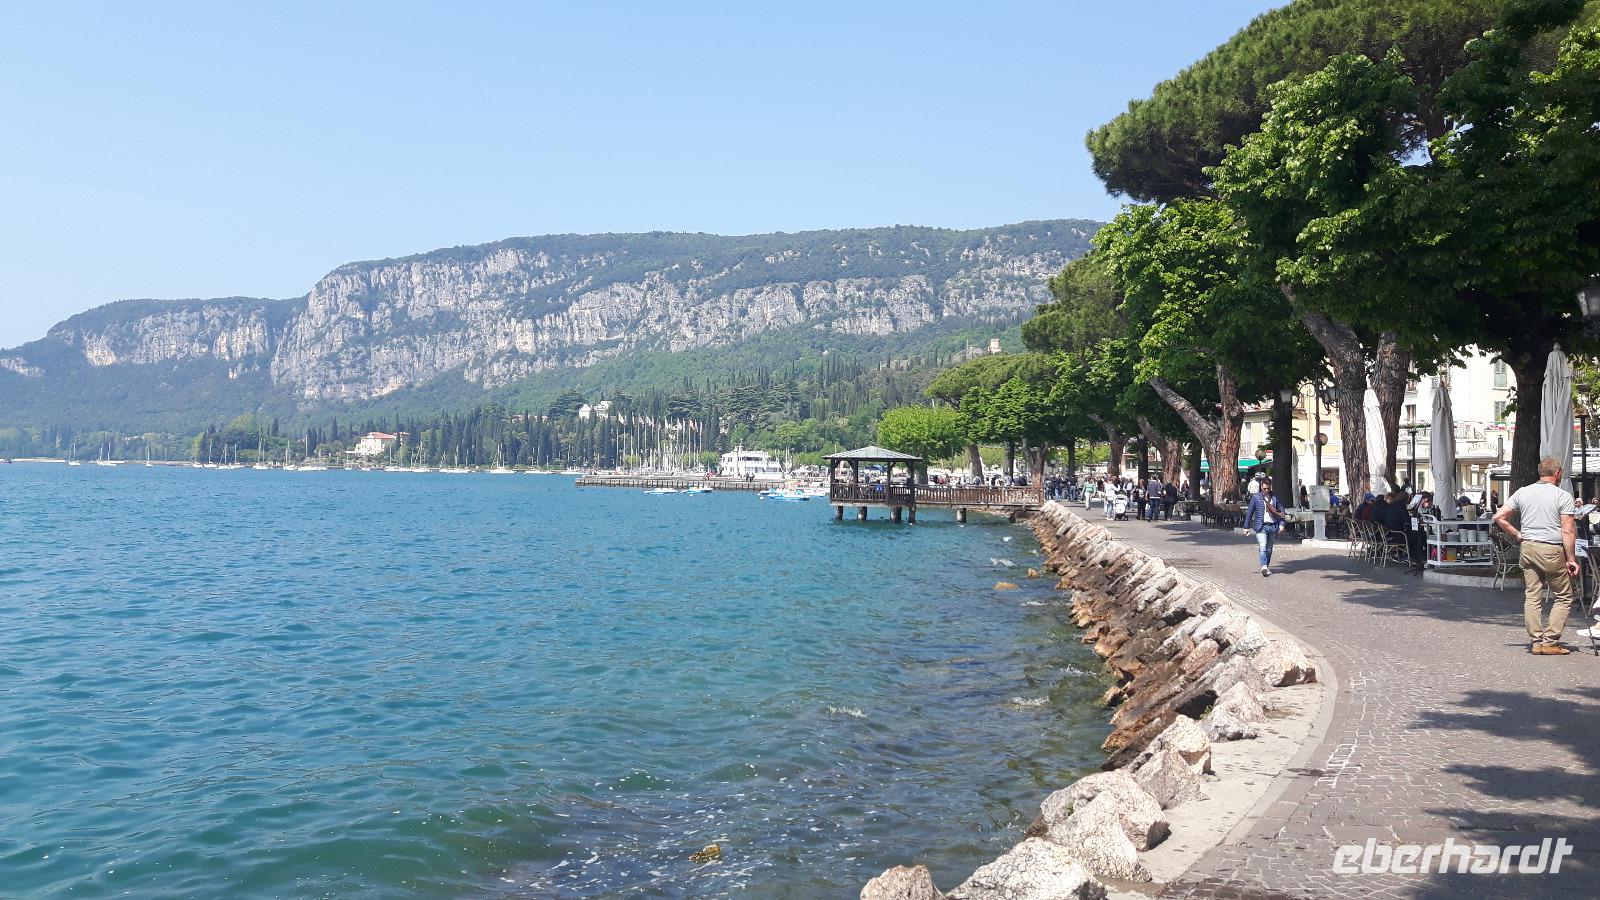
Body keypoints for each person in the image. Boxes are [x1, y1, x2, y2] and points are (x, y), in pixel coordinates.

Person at [1492, 457, 1579, 655]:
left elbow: (1498, 517)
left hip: (1528, 547)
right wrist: (1571, 558)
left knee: (1532, 596)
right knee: (1564, 596)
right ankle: (1550, 641)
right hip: (1551, 549)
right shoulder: (1562, 496)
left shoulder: (1523, 492)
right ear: (1557, 473)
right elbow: (1567, 531)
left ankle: (1536, 641)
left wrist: (1517, 534)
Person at [1246, 477, 1287, 576]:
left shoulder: (1275, 498)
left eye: (1268, 488)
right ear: (1261, 486)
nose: (1267, 490)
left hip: (1273, 526)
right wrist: (1246, 527)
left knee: (1269, 549)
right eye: (1265, 489)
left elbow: (1281, 511)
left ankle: (1266, 566)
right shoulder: (1256, 498)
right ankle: (1264, 566)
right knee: (1263, 546)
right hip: (1261, 526)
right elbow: (1249, 513)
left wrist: (1282, 524)